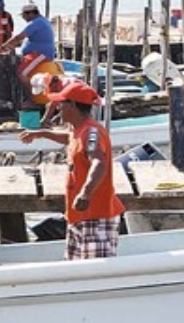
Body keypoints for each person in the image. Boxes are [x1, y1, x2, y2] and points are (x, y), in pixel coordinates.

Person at [19, 82, 124, 259]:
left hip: (95, 215)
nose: (58, 107)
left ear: (73, 105)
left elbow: (99, 161)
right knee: (75, 267)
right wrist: (41, 133)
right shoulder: (78, 130)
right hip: (78, 215)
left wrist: (85, 193)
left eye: (62, 103)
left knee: (94, 271)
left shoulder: (91, 132)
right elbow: (69, 138)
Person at [0, 0, 62, 105]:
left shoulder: (36, 23)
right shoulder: (41, 21)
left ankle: (32, 100)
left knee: (21, 74)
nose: (24, 18)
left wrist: (3, 47)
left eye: (24, 15)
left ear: (31, 13)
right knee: (23, 73)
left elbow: (19, 37)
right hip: (35, 53)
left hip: (39, 54)